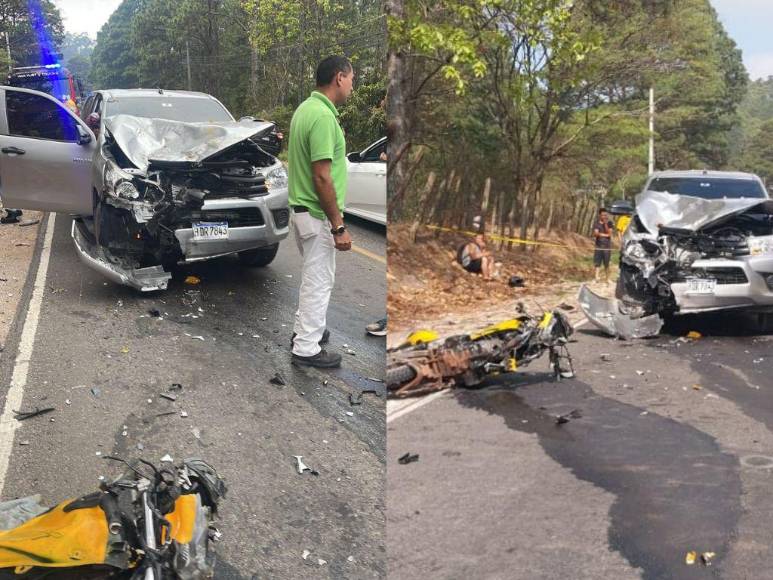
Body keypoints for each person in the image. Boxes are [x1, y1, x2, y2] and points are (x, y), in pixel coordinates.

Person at [288, 55, 355, 368]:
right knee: (318, 281)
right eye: (352, 80)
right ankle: (306, 348)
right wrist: (338, 226)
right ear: (339, 77)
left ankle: (306, 330)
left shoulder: (305, 109)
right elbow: (322, 175)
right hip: (316, 215)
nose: (352, 87)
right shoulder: (323, 117)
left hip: (302, 212)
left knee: (312, 277)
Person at [593, 207, 616, 283]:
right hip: (598, 246)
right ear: (600, 215)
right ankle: (596, 278)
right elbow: (595, 234)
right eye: (602, 215)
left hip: (607, 246)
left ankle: (607, 279)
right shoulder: (596, 223)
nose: (604, 216)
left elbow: (609, 234)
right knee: (597, 263)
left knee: (607, 263)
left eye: (605, 215)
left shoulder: (609, 223)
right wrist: (603, 234)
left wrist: (605, 224)